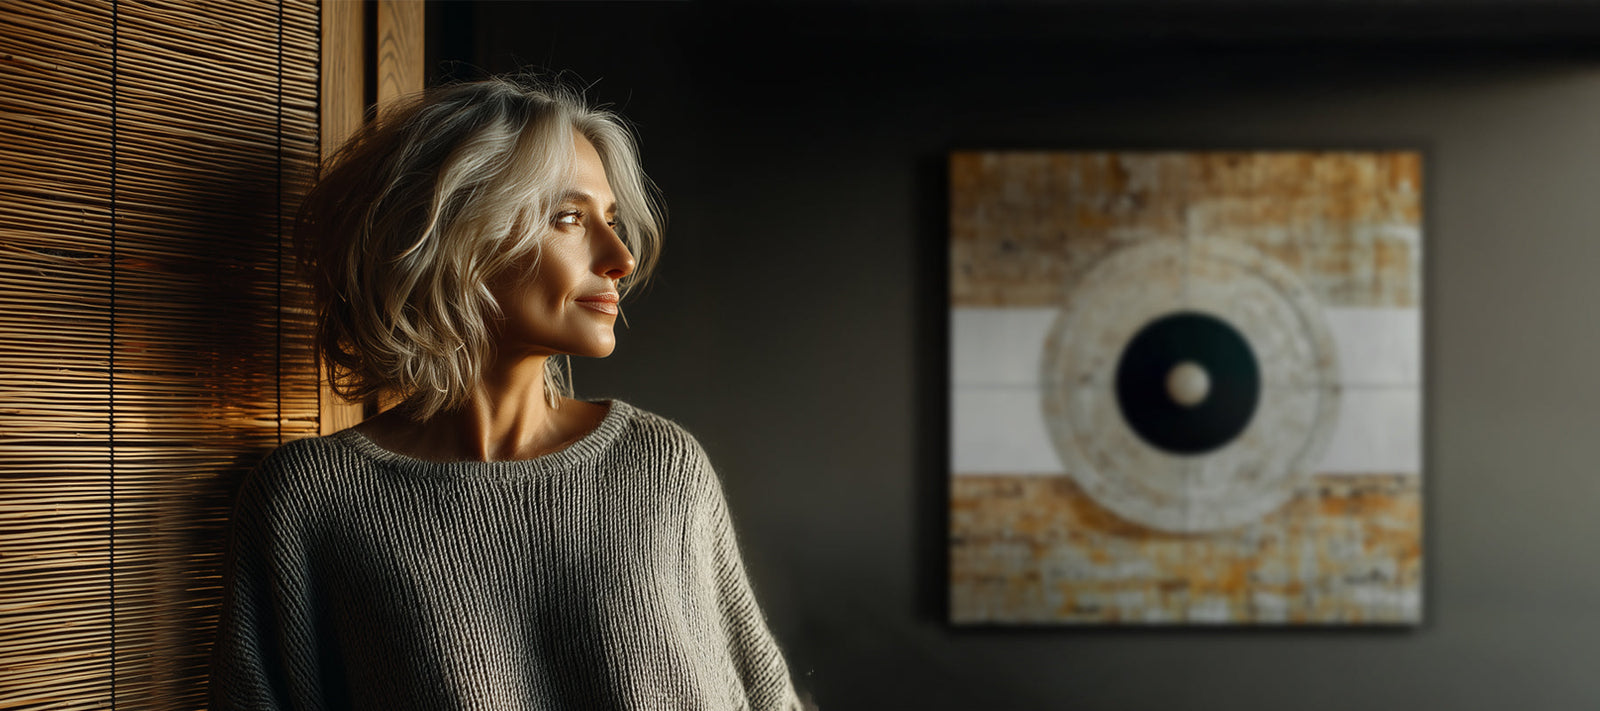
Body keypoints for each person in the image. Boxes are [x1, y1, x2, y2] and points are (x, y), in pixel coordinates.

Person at [210, 77, 804, 710]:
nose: (620, 256)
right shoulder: (308, 500)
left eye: (611, 219)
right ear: (456, 232)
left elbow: (759, 691)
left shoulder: (660, 467)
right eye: (570, 218)